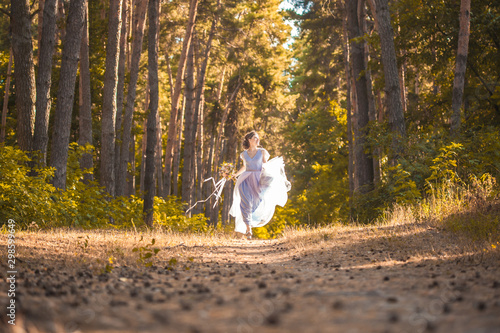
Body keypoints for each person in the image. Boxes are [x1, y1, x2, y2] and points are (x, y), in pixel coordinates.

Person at [230, 131, 290, 239]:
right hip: (245, 179)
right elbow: (244, 167)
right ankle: (248, 230)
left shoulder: (262, 152)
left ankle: (251, 222)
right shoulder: (243, 154)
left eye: (258, 138)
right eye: (254, 138)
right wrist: (235, 174)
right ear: (249, 140)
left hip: (258, 179)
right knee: (245, 203)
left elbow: (265, 164)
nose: (257, 140)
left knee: (256, 203)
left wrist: (269, 174)